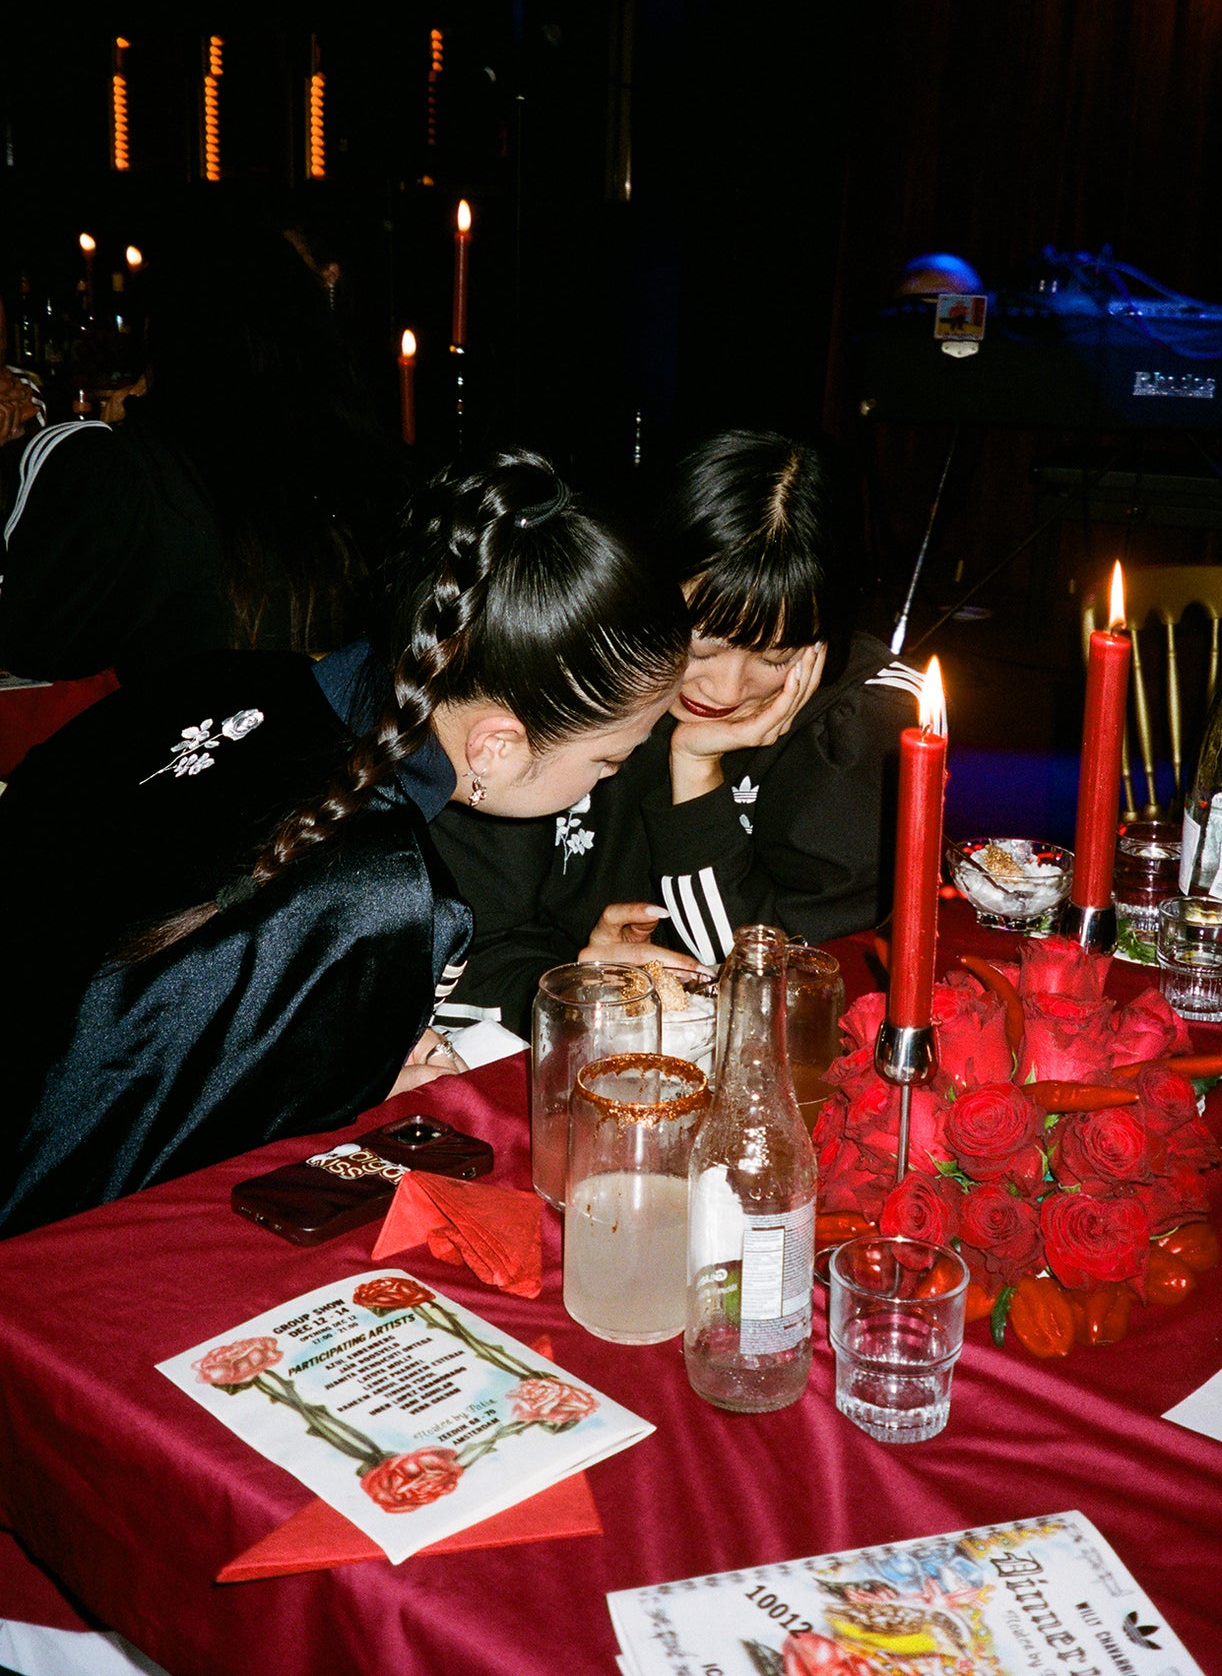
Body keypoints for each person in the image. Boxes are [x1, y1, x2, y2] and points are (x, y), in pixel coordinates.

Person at [0, 452, 688, 1237]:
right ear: (495, 746)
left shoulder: (225, 677)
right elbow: (220, 1176)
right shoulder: (388, 893)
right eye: (608, 760)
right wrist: (367, 1109)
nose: (605, 782)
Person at [430, 429, 922, 1028]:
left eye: (775, 657)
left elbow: (787, 990)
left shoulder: (857, 729)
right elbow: (463, 948)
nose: (726, 692)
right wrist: (581, 980)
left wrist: (696, 775)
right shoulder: (563, 682)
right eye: (700, 648)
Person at [0, 196, 404, 685]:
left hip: (206, 729)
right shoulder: (368, 460)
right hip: (345, 726)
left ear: (168, 332)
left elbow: (34, 642)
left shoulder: (142, 473)